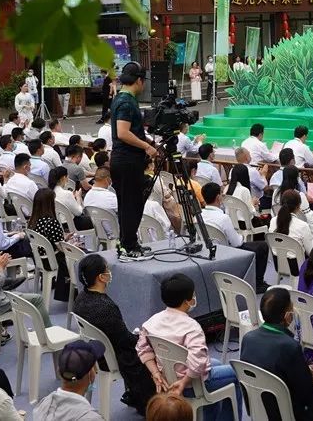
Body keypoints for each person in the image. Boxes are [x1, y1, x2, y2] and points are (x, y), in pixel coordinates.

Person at [136, 274, 239, 421]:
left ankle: (212, 411)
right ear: (187, 302)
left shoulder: (150, 322)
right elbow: (197, 363)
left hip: (168, 378)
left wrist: (155, 373)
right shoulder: (192, 327)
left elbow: (142, 349)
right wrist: (184, 383)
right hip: (191, 385)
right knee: (237, 374)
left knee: (215, 363)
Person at [74, 254, 156, 413]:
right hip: (113, 356)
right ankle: (152, 402)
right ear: (101, 277)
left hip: (98, 353)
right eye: (107, 270)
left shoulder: (81, 298)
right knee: (153, 347)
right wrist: (145, 338)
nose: (110, 273)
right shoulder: (105, 308)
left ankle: (136, 395)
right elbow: (125, 340)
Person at [240, 287, 313, 421]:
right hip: (287, 413)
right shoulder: (290, 346)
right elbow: (306, 393)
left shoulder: (247, 338)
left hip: (259, 408)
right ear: (287, 316)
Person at [109, 62, 160, 260]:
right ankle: (129, 245)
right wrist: (146, 147)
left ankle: (128, 242)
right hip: (128, 161)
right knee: (131, 204)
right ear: (138, 81)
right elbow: (122, 132)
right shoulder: (126, 102)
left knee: (127, 204)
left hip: (123, 160)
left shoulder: (119, 98)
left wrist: (146, 141)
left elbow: (129, 131)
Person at [200, 183, 270, 293]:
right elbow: (237, 243)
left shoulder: (198, 216)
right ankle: (258, 283)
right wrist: (241, 236)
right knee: (262, 246)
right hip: (226, 252)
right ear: (218, 197)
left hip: (205, 251)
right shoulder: (223, 218)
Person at [27, 187, 71, 302]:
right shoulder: (51, 222)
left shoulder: (32, 222)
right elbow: (60, 247)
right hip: (52, 260)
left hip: (40, 259)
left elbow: (47, 240)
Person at [271, 189, 313, 255]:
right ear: (299, 206)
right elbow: (311, 252)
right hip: (298, 264)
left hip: (277, 263)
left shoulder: (273, 221)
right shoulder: (303, 226)